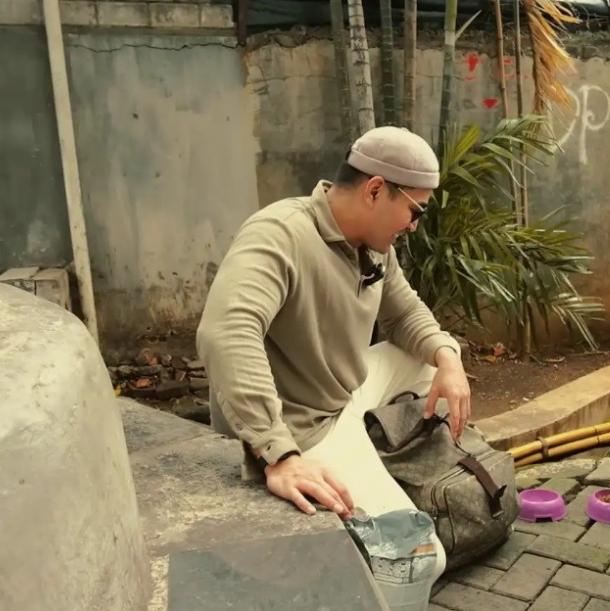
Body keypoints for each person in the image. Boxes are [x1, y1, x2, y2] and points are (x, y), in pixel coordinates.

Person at [196, 126, 472, 578]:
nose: (415, 224)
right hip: (304, 427)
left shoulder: (375, 247)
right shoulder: (281, 233)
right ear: (376, 190)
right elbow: (227, 331)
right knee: (419, 564)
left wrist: (448, 356)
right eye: (414, 209)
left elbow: (405, 315)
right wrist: (278, 454)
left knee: (432, 363)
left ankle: (379, 465)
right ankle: (345, 475)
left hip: (345, 393)